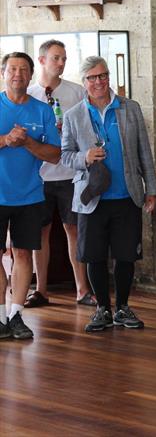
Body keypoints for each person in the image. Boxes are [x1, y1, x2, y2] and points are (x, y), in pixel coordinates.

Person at [60, 56, 156, 334]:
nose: (99, 82)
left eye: (102, 75)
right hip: (92, 198)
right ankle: (102, 308)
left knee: (127, 255)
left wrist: (151, 189)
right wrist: (85, 156)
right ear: (84, 83)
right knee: (94, 256)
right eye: (92, 78)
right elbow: (65, 156)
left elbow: (144, 153)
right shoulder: (73, 116)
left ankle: (123, 307)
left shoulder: (130, 108)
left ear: (109, 77)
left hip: (127, 195)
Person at [25, 39, 94, 308]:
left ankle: (82, 289)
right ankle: (40, 290)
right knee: (40, 232)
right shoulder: (29, 94)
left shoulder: (76, 92)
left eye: (64, 58)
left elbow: (87, 129)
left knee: (73, 228)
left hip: (69, 173)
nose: (61, 63)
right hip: (38, 175)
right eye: (56, 58)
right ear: (42, 61)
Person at [0, 52, 61, 340]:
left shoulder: (42, 111)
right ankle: (0, 316)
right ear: (3, 73)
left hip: (30, 195)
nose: (17, 75)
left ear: (30, 75)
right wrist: (5, 140)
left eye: (24, 70)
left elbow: (55, 154)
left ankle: (16, 315)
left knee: (23, 253)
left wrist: (26, 142)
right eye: (12, 69)